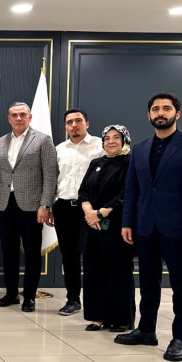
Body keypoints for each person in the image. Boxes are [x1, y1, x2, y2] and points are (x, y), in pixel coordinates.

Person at [116, 92, 182, 362]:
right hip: (145, 227)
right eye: (156, 109)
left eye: (166, 108)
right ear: (149, 115)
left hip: (179, 228)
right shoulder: (140, 148)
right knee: (148, 282)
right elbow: (132, 190)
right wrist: (127, 222)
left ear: (176, 114)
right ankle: (146, 330)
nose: (161, 113)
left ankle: (179, 338)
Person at [0, 102, 58, 312]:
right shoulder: (0, 142)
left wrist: (45, 204)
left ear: (30, 117)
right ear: (8, 118)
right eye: (14, 115)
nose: (18, 118)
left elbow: (50, 175)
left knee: (32, 254)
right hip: (5, 204)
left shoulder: (43, 140)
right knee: (8, 252)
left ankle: (29, 297)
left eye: (22, 114)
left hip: (31, 206)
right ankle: (11, 294)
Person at [78, 125, 135, 332]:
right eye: (107, 138)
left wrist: (102, 212)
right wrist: (89, 212)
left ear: (124, 140)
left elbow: (127, 193)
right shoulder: (97, 163)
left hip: (117, 226)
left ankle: (121, 319)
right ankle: (97, 317)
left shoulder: (130, 162)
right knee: (93, 271)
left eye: (116, 137)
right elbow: (83, 191)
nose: (111, 141)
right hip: (92, 226)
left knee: (117, 273)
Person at [50, 108, 103, 316]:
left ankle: (95, 301)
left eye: (78, 121)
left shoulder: (100, 145)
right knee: (69, 256)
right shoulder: (59, 149)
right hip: (63, 208)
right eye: (69, 122)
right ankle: (73, 299)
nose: (74, 125)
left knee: (93, 256)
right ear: (66, 126)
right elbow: (53, 179)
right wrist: (50, 205)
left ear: (86, 124)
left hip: (90, 210)